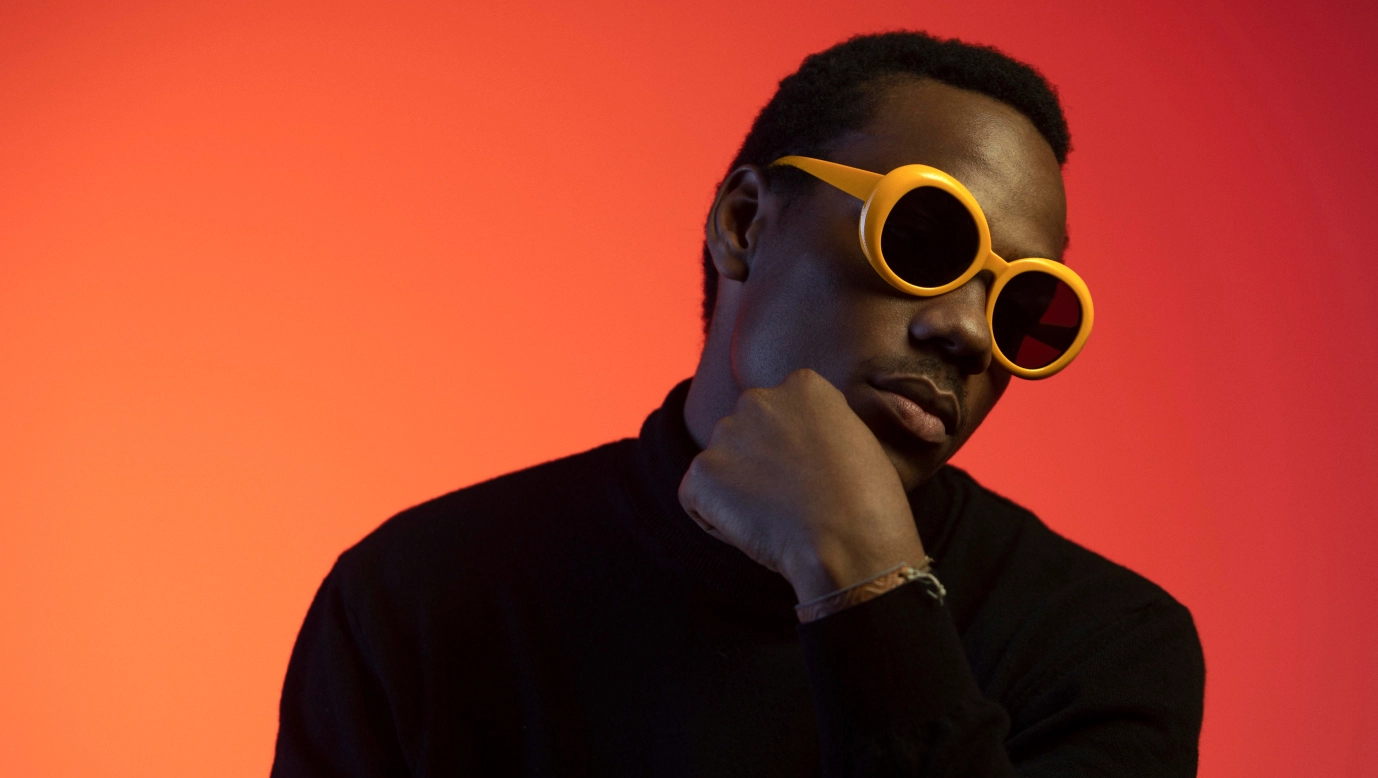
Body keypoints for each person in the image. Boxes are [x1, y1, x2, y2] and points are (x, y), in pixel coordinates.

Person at [271, 31, 1204, 777]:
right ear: (745, 224)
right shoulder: (423, 595)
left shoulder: (1102, 646)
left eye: (1025, 309)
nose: (967, 332)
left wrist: (868, 583)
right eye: (925, 240)